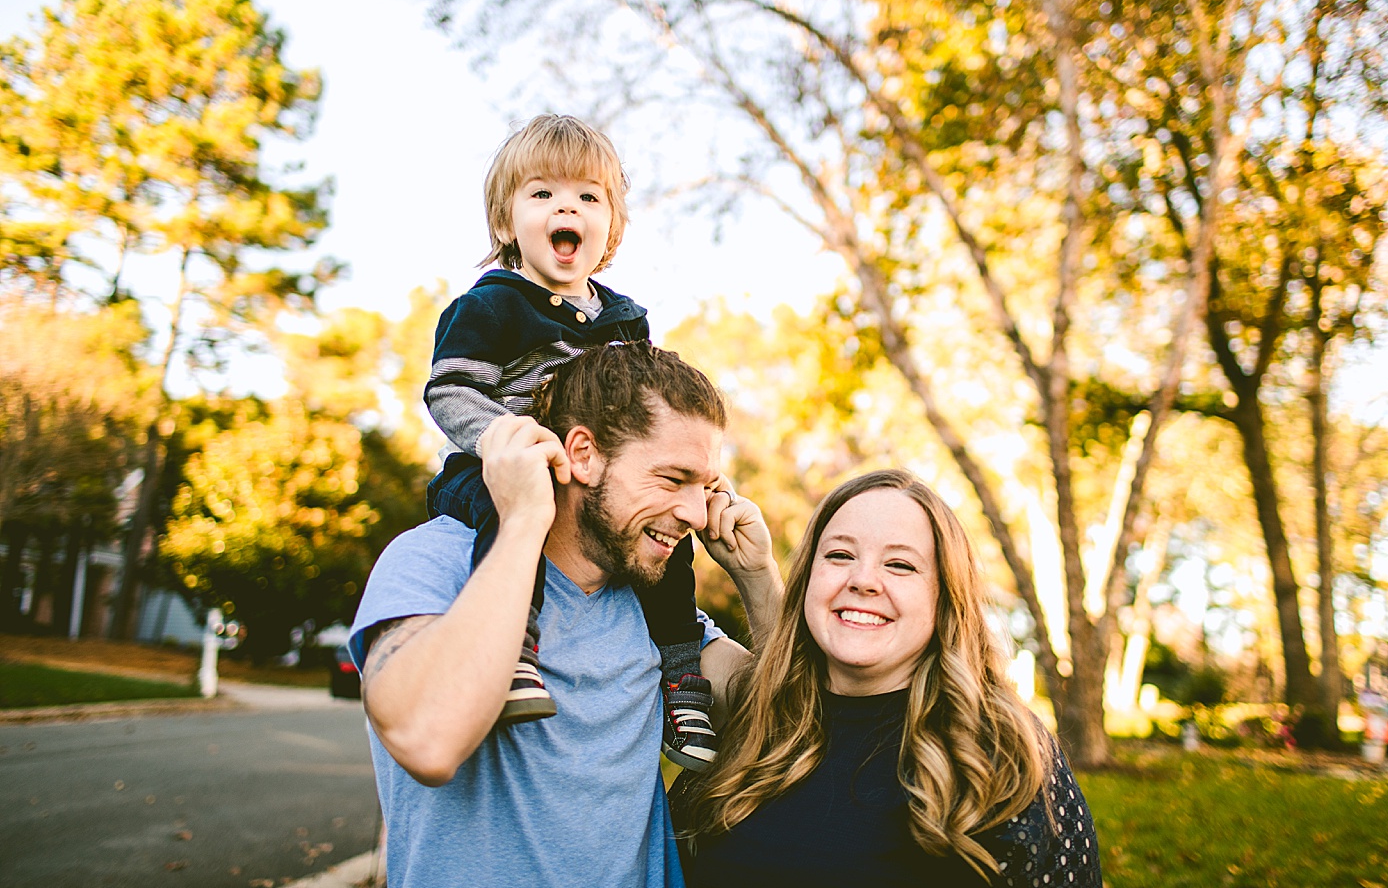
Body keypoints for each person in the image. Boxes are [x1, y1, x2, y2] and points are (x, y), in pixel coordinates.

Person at [349, 342, 784, 887]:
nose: (697, 514)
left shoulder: (657, 614)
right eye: (674, 480)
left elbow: (792, 714)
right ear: (582, 455)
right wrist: (525, 520)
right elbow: (427, 741)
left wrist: (757, 574)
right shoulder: (435, 561)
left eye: (705, 487)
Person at [423, 113, 717, 769]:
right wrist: (509, 439)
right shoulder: (493, 303)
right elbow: (449, 392)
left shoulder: (624, 318)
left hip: (592, 478)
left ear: (610, 227)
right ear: (506, 222)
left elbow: (649, 407)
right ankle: (512, 651)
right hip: (498, 464)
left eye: (588, 196)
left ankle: (680, 676)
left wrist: (676, 473)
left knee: (669, 538)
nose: (567, 205)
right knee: (511, 516)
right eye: (543, 193)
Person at [674, 469, 1104, 887]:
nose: (863, 580)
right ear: (807, 579)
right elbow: (666, 622)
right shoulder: (752, 716)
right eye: (840, 555)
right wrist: (738, 558)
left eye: (900, 565)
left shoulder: (1001, 749)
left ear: (945, 596)